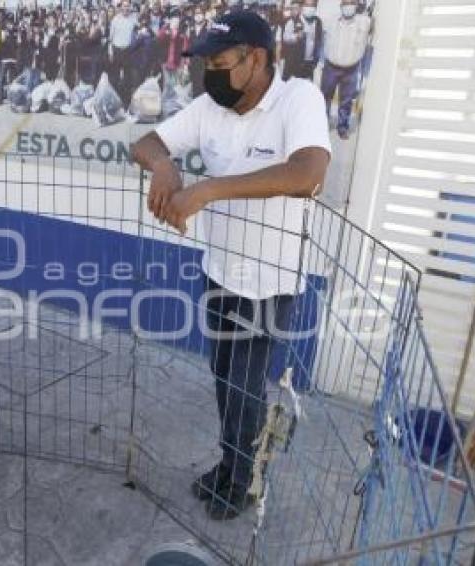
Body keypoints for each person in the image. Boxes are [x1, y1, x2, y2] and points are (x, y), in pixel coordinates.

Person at [130, 11, 330, 520]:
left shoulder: (298, 99)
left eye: (219, 62)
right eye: (207, 64)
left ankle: (243, 479)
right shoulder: (209, 108)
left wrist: (209, 187)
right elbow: (145, 143)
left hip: (269, 280)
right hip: (220, 270)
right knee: (224, 377)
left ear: (255, 58)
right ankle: (233, 462)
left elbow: (307, 172)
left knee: (244, 383)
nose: (209, 74)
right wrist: (165, 165)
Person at [321, 0, 371, 139]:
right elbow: (323, 39)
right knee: (325, 97)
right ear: (341, 6)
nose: (349, 6)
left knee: (346, 100)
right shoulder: (331, 21)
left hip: (351, 69)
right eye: (346, 3)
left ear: (356, 6)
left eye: (352, 3)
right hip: (331, 67)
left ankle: (342, 127)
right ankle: (322, 124)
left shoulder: (363, 22)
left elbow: (371, 15)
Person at [281, 0, 323, 82]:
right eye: (307, 5)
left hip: (309, 63)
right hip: (294, 63)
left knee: (305, 89)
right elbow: (285, 38)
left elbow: (320, 42)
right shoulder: (293, 21)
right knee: (291, 89)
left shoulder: (318, 22)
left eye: (312, 6)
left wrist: (319, 61)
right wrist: (296, 37)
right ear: (302, 7)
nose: (310, 8)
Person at [108, 0, 138, 104]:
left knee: (127, 79)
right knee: (114, 78)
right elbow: (110, 39)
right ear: (121, 7)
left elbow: (137, 33)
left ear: (130, 7)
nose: (126, 8)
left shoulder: (134, 20)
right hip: (116, 50)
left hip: (128, 52)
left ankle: (126, 103)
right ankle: (114, 102)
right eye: (124, 6)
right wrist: (110, 51)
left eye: (128, 6)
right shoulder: (115, 20)